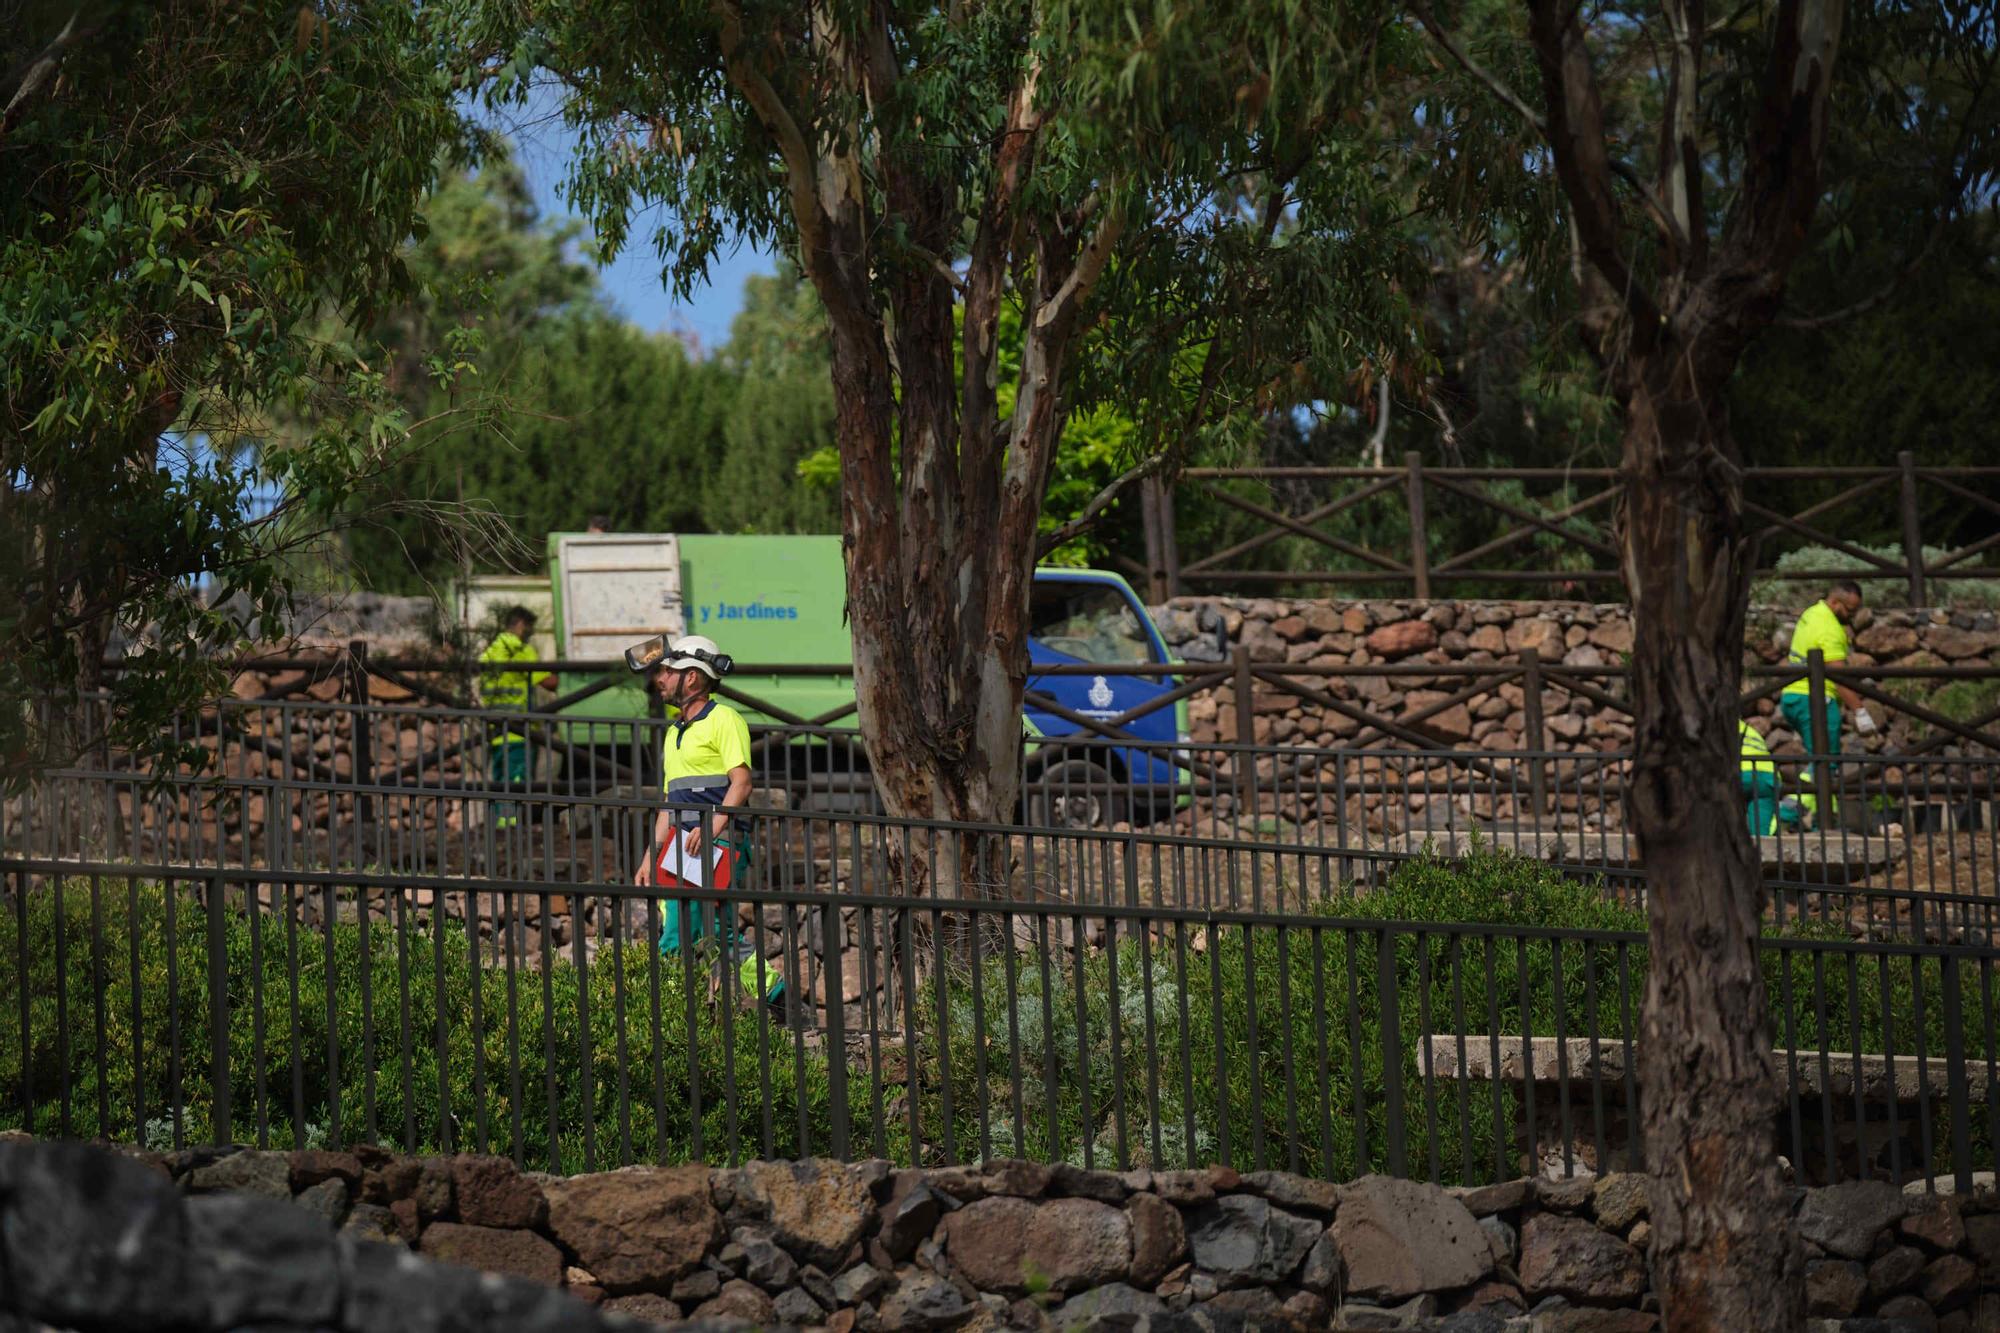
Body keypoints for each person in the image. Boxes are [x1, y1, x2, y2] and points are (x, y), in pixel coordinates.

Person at [631, 634, 779, 1003]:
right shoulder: (674, 732)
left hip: (715, 843)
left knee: (680, 931)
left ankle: (668, 1008)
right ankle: (777, 996)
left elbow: (741, 783)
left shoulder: (724, 719)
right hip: (681, 847)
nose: (659, 680)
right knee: (716, 933)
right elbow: (669, 803)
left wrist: (712, 825)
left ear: (692, 677)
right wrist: (652, 854)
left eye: (666, 671)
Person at [1780, 580, 1874, 826]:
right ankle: (1787, 811)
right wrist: (1860, 711)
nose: (1853, 616)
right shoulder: (1830, 629)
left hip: (1793, 697)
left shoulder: (1813, 613)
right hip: (1815, 700)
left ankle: (1826, 819)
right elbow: (1837, 676)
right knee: (1825, 761)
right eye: (1850, 610)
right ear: (1835, 602)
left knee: (1820, 762)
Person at [479, 607, 557, 830]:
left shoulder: (490, 651)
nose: (530, 633)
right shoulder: (520, 650)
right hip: (519, 730)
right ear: (521, 624)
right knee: (518, 779)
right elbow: (549, 682)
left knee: (500, 776)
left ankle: (500, 822)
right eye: (529, 627)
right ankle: (512, 824)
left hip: (496, 730)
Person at [1739, 718, 1780, 837]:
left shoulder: (1715, 726)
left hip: (1743, 773)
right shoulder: (1749, 729)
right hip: (1769, 777)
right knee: (1760, 833)